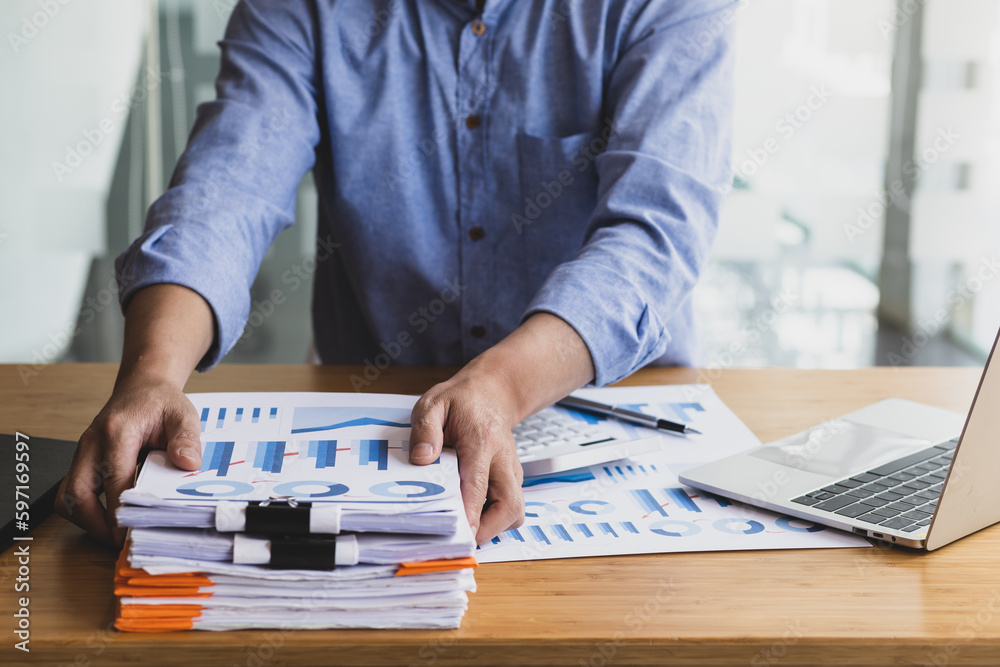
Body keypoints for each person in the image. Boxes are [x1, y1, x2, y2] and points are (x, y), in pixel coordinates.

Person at [55, 0, 734, 547]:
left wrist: (498, 386)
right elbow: (226, 191)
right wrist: (151, 375)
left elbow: (654, 238)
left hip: (617, 422)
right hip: (381, 426)